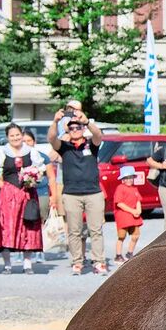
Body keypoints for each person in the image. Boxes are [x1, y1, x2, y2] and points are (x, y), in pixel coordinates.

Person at [48, 104, 106, 275]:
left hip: (93, 192)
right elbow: (51, 138)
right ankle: (77, 262)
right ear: (68, 130)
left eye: (78, 127)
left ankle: (99, 261)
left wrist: (86, 121)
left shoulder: (91, 144)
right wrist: (55, 121)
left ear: (82, 128)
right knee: (74, 231)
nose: (75, 130)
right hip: (71, 193)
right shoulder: (64, 147)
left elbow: (98, 135)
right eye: (71, 128)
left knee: (96, 230)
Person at [0, 122, 44, 273]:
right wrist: (5, 188)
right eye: (12, 135)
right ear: (7, 137)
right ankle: (7, 264)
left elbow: (40, 171)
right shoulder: (1, 153)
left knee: (28, 226)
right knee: (6, 227)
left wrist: (33, 179)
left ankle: (27, 263)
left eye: (17, 135)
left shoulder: (31, 152)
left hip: (27, 194)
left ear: (22, 136)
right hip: (8, 195)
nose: (15, 138)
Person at [22, 128, 56, 224]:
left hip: (41, 193)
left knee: (41, 221)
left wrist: (54, 196)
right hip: (23, 195)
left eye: (29, 141)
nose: (26, 143)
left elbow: (51, 177)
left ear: (34, 142)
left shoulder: (43, 157)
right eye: (24, 141)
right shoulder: (17, 158)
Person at [112, 164, 144, 264]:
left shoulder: (134, 189)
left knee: (136, 235)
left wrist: (138, 210)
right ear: (123, 179)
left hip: (134, 217)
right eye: (126, 178)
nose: (129, 180)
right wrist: (132, 211)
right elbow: (119, 203)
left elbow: (138, 200)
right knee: (121, 236)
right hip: (123, 216)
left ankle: (130, 253)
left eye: (131, 177)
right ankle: (118, 255)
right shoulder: (120, 188)